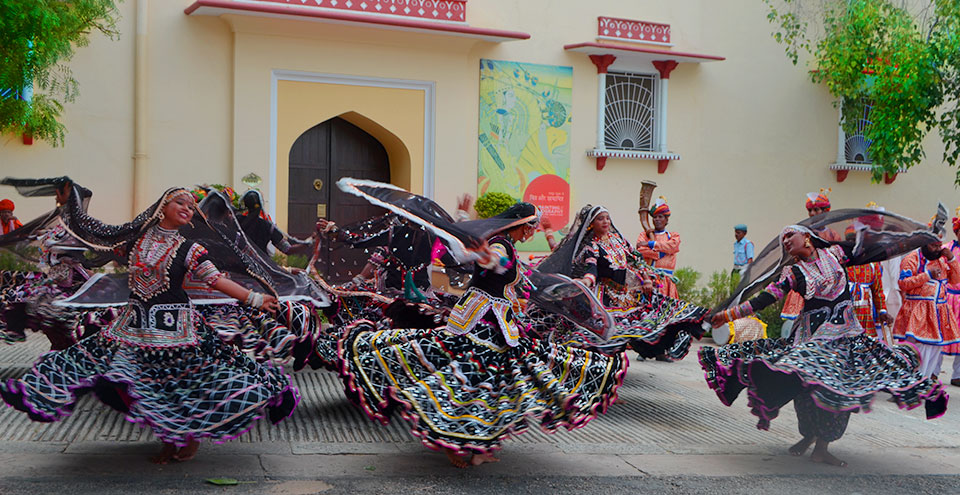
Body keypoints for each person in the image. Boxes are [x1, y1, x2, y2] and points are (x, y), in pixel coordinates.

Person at [1, 180, 298, 464]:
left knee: (179, 387)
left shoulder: (190, 249)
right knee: (103, 370)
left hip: (176, 330)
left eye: (192, 206)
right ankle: (172, 436)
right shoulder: (136, 241)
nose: (188, 208)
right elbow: (96, 234)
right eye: (180, 202)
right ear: (162, 207)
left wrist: (254, 299)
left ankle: (183, 437)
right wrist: (72, 201)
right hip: (132, 327)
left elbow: (215, 280)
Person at [338, 202, 626, 468]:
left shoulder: (504, 244)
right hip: (481, 322)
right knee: (470, 379)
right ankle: (454, 440)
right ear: (520, 224)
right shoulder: (500, 245)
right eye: (531, 226)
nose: (533, 231)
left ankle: (479, 443)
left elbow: (490, 262)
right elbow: (490, 260)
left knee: (496, 383)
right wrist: (489, 258)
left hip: (498, 323)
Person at [702, 224, 947, 468]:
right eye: (782, 240)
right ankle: (809, 436)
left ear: (807, 237)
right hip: (812, 339)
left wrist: (914, 240)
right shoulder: (793, 272)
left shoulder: (835, 253)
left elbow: (874, 251)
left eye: (789, 236)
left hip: (847, 336)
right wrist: (729, 315)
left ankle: (822, 447)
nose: (785, 242)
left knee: (840, 389)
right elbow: (765, 298)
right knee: (807, 387)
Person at [533, 204, 707, 361]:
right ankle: (602, 367)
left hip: (626, 295)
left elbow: (635, 259)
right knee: (606, 335)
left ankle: (651, 352)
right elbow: (591, 267)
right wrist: (586, 281)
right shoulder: (591, 246)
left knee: (656, 317)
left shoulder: (619, 240)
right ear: (592, 223)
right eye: (600, 219)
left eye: (607, 218)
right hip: (604, 296)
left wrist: (646, 279)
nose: (605, 221)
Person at [893, 239, 960, 380]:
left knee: (934, 350)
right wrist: (927, 275)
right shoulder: (911, 259)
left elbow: (955, 280)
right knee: (917, 350)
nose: (936, 249)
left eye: (938, 246)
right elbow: (903, 283)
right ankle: (909, 385)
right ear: (924, 243)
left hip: (939, 312)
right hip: (918, 312)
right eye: (933, 246)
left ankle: (924, 383)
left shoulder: (942, 259)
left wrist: (952, 259)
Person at [237, 190, 310, 254]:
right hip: (261, 267)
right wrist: (308, 242)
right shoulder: (267, 226)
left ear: (245, 204)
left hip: (236, 266)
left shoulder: (236, 221)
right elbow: (287, 249)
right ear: (261, 204)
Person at [636, 196, 680, 298]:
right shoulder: (644, 235)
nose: (657, 219)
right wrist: (660, 253)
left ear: (666, 219)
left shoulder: (673, 236)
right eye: (655, 217)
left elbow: (673, 246)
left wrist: (650, 244)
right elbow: (640, 251)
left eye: (660, 217)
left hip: (667, 282)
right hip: (649, 281)